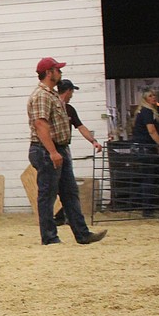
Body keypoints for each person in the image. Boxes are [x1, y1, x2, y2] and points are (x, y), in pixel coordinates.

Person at [26, 57, 107, 246]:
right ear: (49, 73)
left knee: (69, 193)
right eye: (57, 70)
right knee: (48, 195)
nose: (60, 73)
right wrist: (53, 152)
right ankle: (49, 237)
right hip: (47, 149)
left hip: (57, 148)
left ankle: (82, 234)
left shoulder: (51, 94)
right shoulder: (42, 96)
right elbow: (40, 124)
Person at [53, 79, 103, 225]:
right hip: (54, 149)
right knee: (57, 184)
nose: (72, 95)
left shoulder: (69, 110)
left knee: (66, 185)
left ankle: (64, 215)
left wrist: (93, 141)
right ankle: (57, 215)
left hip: (63, 148)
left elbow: (80, 127)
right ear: (68, 91)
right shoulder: (54, 107)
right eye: (72, 92)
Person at [131, 88, 159, 218]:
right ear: (146, 98)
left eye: (154, 95)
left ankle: (138, 203)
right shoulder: (147, 112)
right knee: (148, 178)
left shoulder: (142, 111)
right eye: (151, 96)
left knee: (147, 177)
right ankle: (146, 209)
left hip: (141, 147)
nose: (154, 98)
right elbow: (151, 131)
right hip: (145, 147)